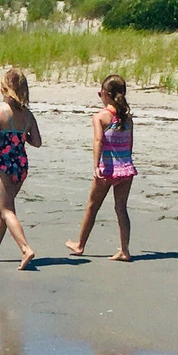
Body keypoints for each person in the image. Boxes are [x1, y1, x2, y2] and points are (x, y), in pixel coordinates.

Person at [66, 73, 137, 261]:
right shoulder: (127, 118)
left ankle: (80, 244)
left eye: (100, 93)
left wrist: (96, 165)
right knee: (121, 208)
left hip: (107, 168)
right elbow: (130, 144)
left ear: (106, 94)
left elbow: (98, 140)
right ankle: (125, 249)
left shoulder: (100, 117)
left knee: (92, 206)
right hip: (126, 168)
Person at [0, 67, 42, 270]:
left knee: (7, 209)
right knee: (2, 207)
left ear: (4, 89)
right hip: (21, 163)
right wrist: (19, 135)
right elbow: (37, 141)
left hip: (4, 164)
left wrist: (0, 135)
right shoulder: (28, 115)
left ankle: (25, 249)